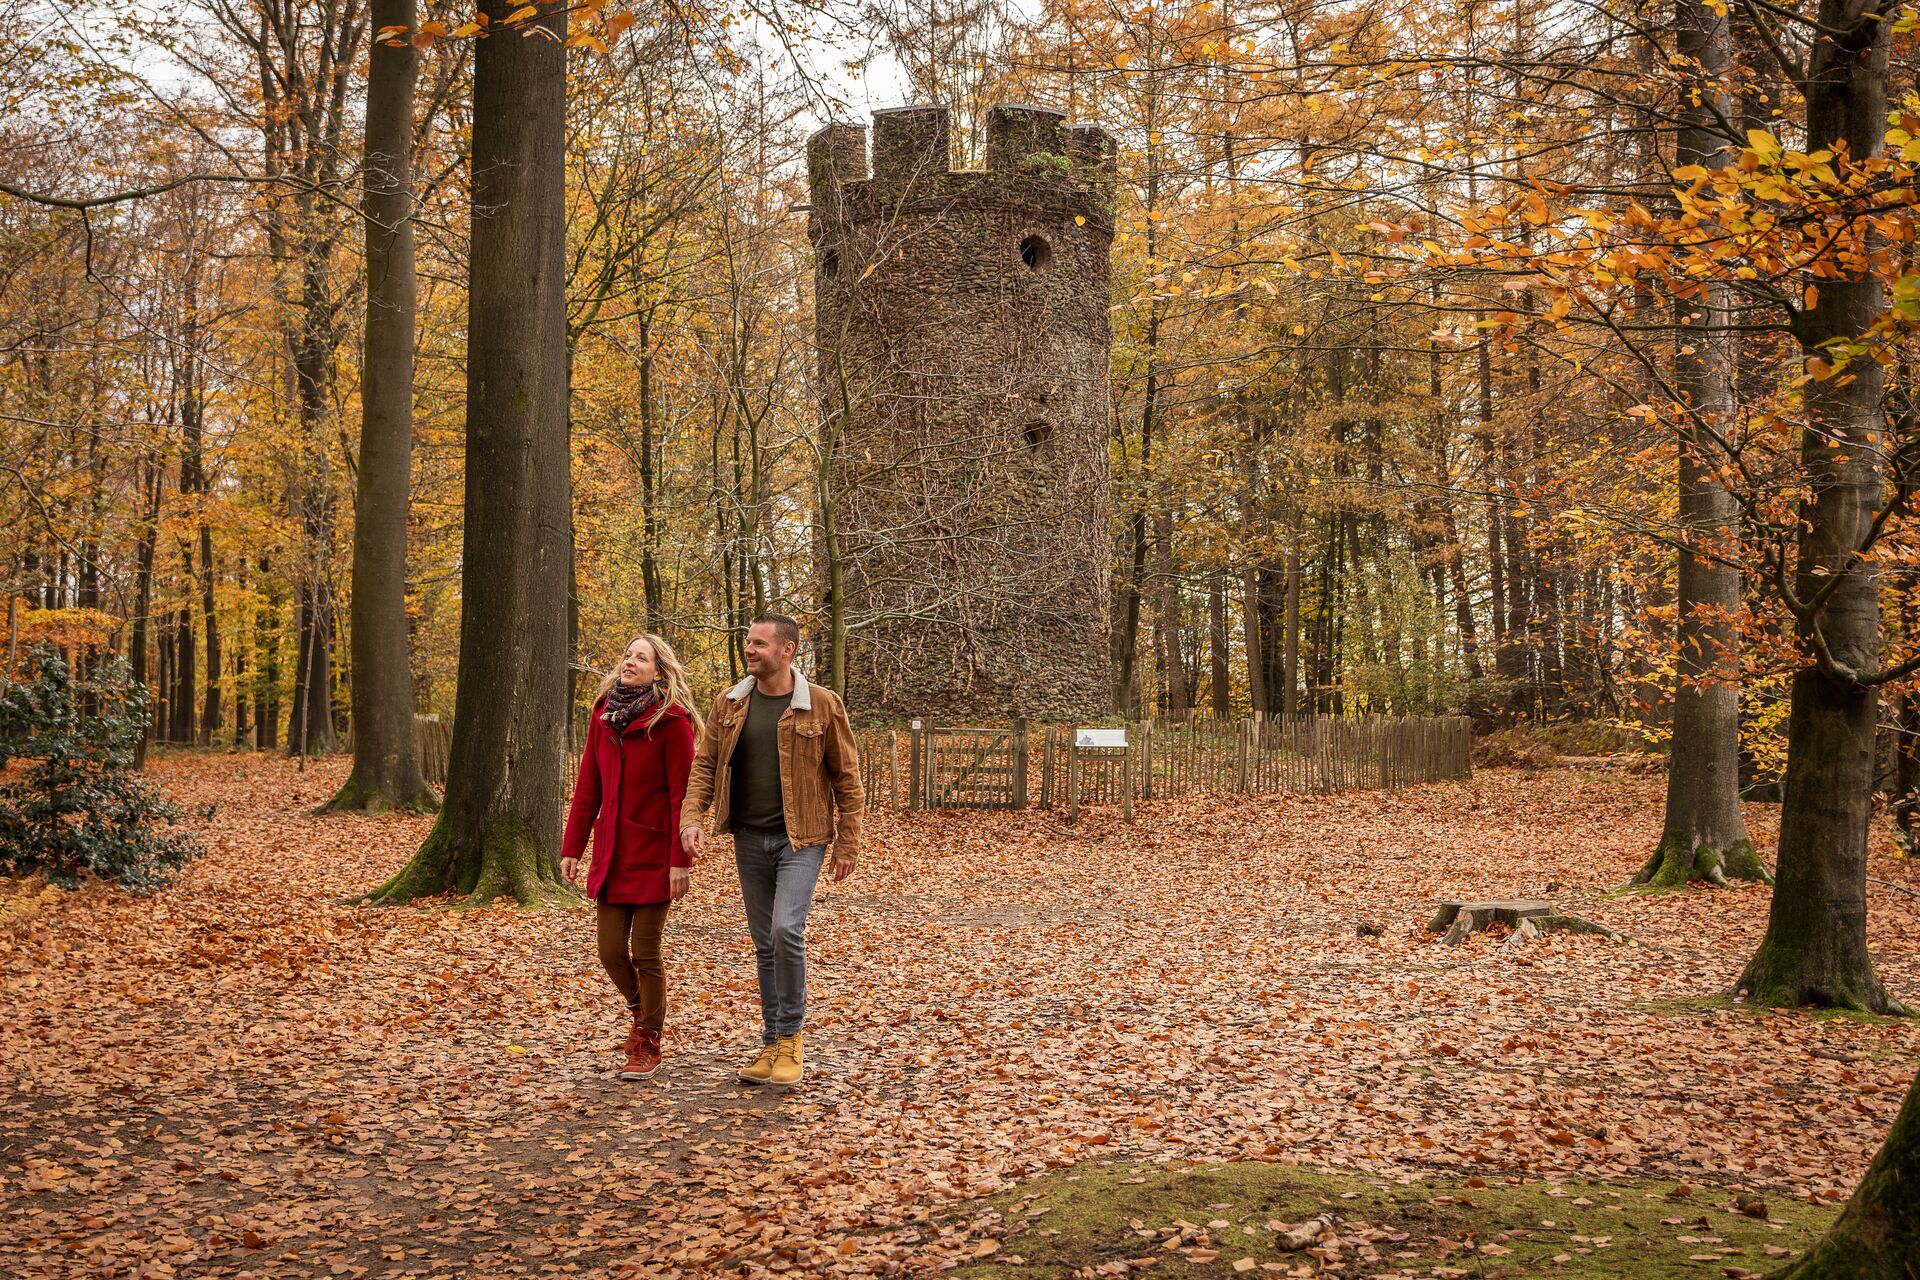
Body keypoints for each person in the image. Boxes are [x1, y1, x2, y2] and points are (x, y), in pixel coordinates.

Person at [680, 615, 863, 1087]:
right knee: (764, 943)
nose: (749, 649)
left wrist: (849, 841)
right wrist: (692, 818)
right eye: (747, 641)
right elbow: (704, 765)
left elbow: (847, 778)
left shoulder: (821, 705)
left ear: (788, 651)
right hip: (748, 837)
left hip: (802, 839)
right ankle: (772, 1042)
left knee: (786, 930)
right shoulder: (730, 703)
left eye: (760, 643)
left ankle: (793, 1039)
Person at [561, 633, 700, 1081]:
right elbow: (588, 787)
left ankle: (647, 1039)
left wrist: (682, 858)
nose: (630, 661)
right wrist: (572, 847)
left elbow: (684, 795)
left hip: (656, 850)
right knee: (608, 952)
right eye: (628, 654)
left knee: (645, 951)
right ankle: (643, 1011)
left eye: (642, 657)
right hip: (611, 853)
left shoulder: (672, 722)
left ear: (659, 670)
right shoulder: (603, 717)